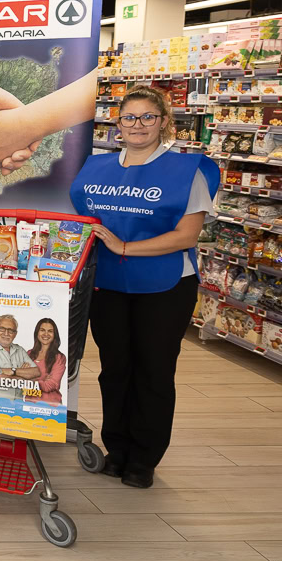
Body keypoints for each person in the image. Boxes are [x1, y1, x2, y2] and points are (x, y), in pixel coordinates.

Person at [69, 85, 219, 489]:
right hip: (108, 285)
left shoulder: (188, 170)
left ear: (164, 122)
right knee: (115, 369)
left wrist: (124, 246)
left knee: (153, 371)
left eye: (148, 117)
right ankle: (116, 449)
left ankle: (144, 459)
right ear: (117, 124)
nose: (138, 125)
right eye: (130, 117)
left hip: (165, 286)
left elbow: (187, 235)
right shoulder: (95, 168)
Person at [0, 315, 40, 400]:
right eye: (2, 329)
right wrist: (24, 375)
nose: (6, 334)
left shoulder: (19, 350)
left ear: (15, 334)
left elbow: (36, 373)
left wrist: (12, 371)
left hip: (17, 405)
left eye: (10, 330)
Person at [26, 317, 65, 406]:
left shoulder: (59, 357)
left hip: (50, 405)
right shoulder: (29, 354)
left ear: (55, 335)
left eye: (50, 331)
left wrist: (31, 378)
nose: (46, 334)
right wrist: (42, 380)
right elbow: (20, 380)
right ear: (37, 333)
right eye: (42, 330)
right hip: (28, 404)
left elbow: (49, 386)